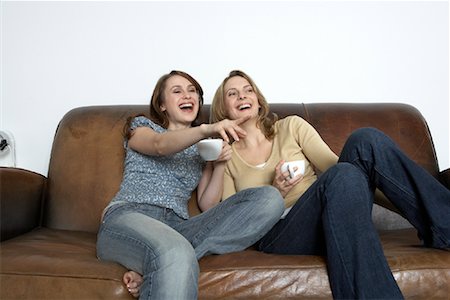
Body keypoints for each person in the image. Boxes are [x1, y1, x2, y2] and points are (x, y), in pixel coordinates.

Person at [210, 70, 450, 299]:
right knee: (343, 174)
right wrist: (275, 193)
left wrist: (402, 205)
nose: (242, 95)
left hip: (336, 209)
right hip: (281, 233)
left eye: (248, 89)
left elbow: (341, 168)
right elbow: (239, 223)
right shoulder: (226, 156)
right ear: (223, 107)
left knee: (365, 141)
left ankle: (445, 224)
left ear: (258, 99)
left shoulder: (292, 127)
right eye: (232, 93)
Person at [96, 70, 285, 299]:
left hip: (178, 228)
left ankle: (161, 265)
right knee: (175, 250)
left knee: (270, 198)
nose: (187, 96)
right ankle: (167, 259)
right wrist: (206, 129)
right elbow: (159, 145)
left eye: (192, 91)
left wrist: (219, 164)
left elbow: (208, 204)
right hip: (130, 216)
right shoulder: (142, 126)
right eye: (177, 91)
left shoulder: (202, 148)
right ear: (162, 104)